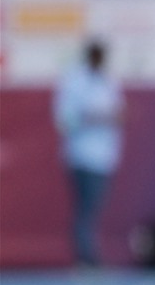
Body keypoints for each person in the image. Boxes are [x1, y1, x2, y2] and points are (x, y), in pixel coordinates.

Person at [53, 39, 125, 267]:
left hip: (104, 156)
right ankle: (86, 258)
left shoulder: (109, 81)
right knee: (85, 208)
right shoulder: (74, 82)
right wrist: (92, 118)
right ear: (89, 57)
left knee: (93, 208)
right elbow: (64, 120)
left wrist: (115, 117)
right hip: (82, 156)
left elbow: (117, 114)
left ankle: (88, 255)